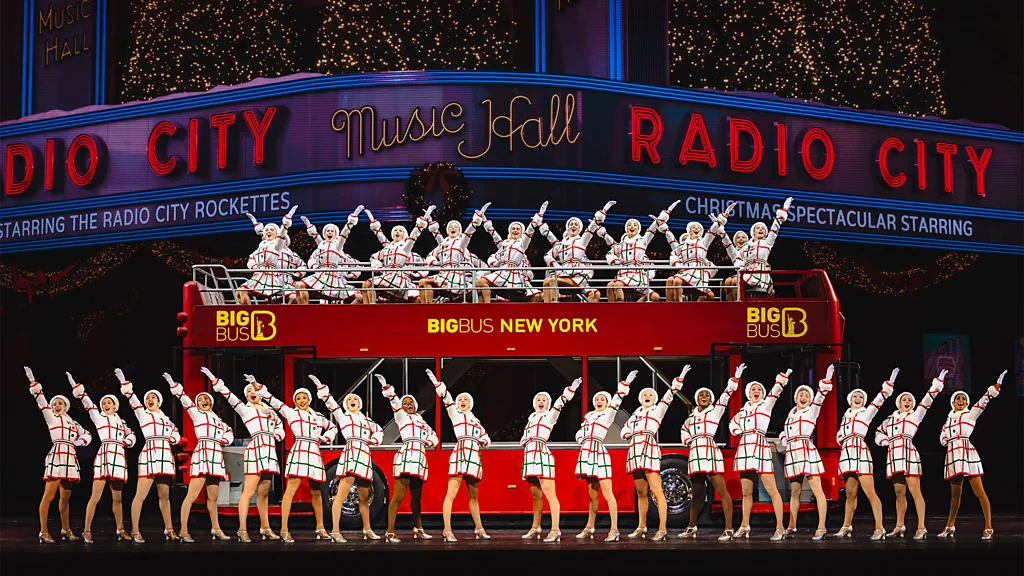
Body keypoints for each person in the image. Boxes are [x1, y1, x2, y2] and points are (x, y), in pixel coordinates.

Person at [253, 376, 338, 543]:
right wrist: (257, 386)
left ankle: (320, 527)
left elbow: (333, 427)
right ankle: (284, 529)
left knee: (316, 492)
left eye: (304, 397)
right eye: (298, 398)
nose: (301, 400)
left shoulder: (317, 416)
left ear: (309, 399)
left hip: (314, 450)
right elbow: (273, 400)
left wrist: (327, 437)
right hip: (300, 450)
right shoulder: (291, 413)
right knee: (290, 490)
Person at [207, 368, 285, 542]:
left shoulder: (269, 410)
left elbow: (280, 426)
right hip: (256, 448)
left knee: (264, 493)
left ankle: (265, 527)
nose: (251, 392)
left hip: (270, 450)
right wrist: (216, 381)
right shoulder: (245, 410)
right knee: (249, 492)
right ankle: (242, 529)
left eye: (253, 389)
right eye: (248, 391)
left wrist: (278, 435)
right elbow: (230, 397)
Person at [310, 375, 383, 542]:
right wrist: (322, 388)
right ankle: (335, 531)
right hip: (351, 453)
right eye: (349, 399)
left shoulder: (366, 420)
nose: (352, 400)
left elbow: (379, 430)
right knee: (341, 495)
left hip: (364, 454)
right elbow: (332, 405)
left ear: (359, 403)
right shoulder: (343, 417)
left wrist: (375, 440)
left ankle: (367, 529)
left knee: (364, 497)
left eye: (355, 399)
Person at [164, 372, 233, 543]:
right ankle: (184, 530)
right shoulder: (197, 415)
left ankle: (216, 528)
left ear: (211, 402)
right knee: (192, 496)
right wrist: (174, 385)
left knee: (213, 497)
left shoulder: (218, 420)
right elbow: (184, 400)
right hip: (203, 454)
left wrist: (224, 440)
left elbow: (229, 432)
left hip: (216, 456)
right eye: (200, 399)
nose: (203, 401)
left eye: (206, 399)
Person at [875, 371, 945, 540]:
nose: (907, 402)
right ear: (898, 402)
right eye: (904, 399)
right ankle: (900, 526)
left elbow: (927, 401)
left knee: (915, 491)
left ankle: (921, 527)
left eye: (909, 400)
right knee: (899, 493)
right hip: (893, 455)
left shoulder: (915, 415)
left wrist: (936, 386)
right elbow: (878, 432)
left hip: (908, 453)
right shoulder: (890, 419)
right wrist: (885, 442)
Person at [25, 367, 92, 544]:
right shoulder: (51, 418)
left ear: (66, 406)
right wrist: (33, 381)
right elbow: (41, 399)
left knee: (66, 497)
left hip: (70, 458)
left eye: (60, 403)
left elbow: (88, 434)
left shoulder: (73, 422)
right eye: (55, 404)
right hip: (57, 456)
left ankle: (65, 528)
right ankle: (43, 531)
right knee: (49, 496)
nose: (56, 406)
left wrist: (80, 441)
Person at [116, 368, 183, 543]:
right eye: (147, 398)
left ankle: (169, 529)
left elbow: (175, 433)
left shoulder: (166, 419)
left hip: (165, 455)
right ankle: (135, 530)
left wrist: (174, 438)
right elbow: (133, 399)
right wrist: (125, 383)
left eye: (153, 398)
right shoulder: (143, 414)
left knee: (165, 496)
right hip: (150, 454)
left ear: (159, 401)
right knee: (141, 495)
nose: (149, 400)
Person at [68, 373, 136, 543]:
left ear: (115, 405)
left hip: (119, 456)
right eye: (104, 403)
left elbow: (132, 434)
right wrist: (78, 388)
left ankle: (121, 529)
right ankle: (86, 530)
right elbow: (88, 404)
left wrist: (128, 441)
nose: (106, 405)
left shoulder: (121, 421)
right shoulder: (98, 418)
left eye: (109, 402)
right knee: (95, 496)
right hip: (105, 455)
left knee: (118, 497)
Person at [426, 368, 492, 542]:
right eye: (460, 399)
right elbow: (446, 398)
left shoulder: (475, 420)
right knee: (451, 493)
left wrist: (484, 441)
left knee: (474, 496)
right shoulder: (455, 414)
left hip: (473, 457)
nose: (462, 401)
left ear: (470, 404)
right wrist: (437, 384)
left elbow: (486, 436)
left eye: (465, 399)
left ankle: (479, 529)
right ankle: (447, 530)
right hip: (461, 453)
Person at [621, 366, 687, 540]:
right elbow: (624, 432)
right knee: (641, 492)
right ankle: (641, 526)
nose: (647, 397)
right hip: (635, 450)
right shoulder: (635, 414)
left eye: (650, 395)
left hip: (649, 448)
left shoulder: (657, 411)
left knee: (657, 490)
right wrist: (630, 433)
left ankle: (662, 529)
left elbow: (668, 398)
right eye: (644, 395)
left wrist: (677, 382)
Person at [938, 370, 1005, 540]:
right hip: (953, 455)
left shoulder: (970, 414)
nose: (960, 401)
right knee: (955, 495)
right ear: (952, 402)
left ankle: (989, 526)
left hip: (967, 454)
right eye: (957, 399)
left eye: (963, 399)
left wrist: (993, 389)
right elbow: (942, 437)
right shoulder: (948, 420)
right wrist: (945, 439)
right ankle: (950, 525)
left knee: (979, 492)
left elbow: (983, 402)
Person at [679, 364, 743, 540]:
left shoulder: (715, 412)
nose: (704, 397)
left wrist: (734, 380)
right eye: (701, 395)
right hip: (695, 454)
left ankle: (729, 528)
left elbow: (725, 397)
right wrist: (687, 440)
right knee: (697, 493)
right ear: (696, 399)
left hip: (709, 452)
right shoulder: (691, 418)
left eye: (707, 395)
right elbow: (683, 430)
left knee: (721, 490)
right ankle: (691, 526)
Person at [834, 368, 898, 540]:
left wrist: (888, 386)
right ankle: (846, 525)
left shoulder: (865, 413)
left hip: (860, 452)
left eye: (861, 397)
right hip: (847, 453)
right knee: (849, 493)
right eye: (855, 396)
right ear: (850, 399)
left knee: (870, 492)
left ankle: (879, 528)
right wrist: (840, 438)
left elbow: (878, 402)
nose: (858, 399)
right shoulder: (845, 416)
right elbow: (839, 434)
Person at [729, 368, 791, 540]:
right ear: (748, 393)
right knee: (746, 492)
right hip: (745, 448)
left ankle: (780, 528)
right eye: (753, 389)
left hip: (759, 446)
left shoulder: (765, 405)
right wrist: (736, 430)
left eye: (759, 390)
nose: (756, 392)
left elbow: (776, 391)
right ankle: (744, 525)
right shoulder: (742, 411)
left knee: (772, 490)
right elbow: (732, 424)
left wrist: (782, 378)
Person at [575, 370, 636, 542]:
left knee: (608, 493)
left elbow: (617, 400)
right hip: (587, 453)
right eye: (597, 399)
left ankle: (614, 529)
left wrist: (625, 384)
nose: (599, 401)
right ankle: (590, 527)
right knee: (592, 495)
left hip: (599, 453)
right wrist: (581, 438)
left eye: (602, 399)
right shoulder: (589, 417)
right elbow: (580, 432)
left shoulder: (607, 414)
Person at [376, 375, 438, 543]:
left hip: (419, 459)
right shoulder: (402, 417)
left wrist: (429, 441)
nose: (408, 404)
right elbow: (395, 403)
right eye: (405, 403)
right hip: (406, 457)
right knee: (398, 497)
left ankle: (418, 528)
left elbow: (434, 436)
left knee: (417, 498)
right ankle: (389, 532)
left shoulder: (421, 421)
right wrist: (389, 390)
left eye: (410, 402)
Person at [520, 378, 582, 543]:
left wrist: (570, 390)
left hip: (541, 454)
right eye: (539, 400)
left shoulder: (549, 416)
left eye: (544, 400)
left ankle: (555, 530)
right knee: (535, 496)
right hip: (529, 456)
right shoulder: (531, 418)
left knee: (550, 494)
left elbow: (559, 405)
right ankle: (536, 527)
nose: (541, 402)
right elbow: (523, 438)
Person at [780, 365, 834, 539]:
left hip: (806, 450)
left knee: (817, 491)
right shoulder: (790, 415)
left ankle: (821, 527)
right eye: (801, 394)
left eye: (807, 395)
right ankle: (792, 525)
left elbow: (820, 398)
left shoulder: (811, 411)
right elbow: (785, 432)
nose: (804, 397)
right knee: (794, 493)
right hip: (793, 453)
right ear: (796, 397)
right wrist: (783, 438)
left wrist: (826, 379)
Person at [543, 201, 617, 303]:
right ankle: (546, 310)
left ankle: (555, 309)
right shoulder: (560, 245)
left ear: (579, 229)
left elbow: (592, 227)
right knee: (547, 281)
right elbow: (547, 255)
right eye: (571, 224)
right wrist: (556, 265)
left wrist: (603, 211)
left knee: (551, 281)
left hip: (577, 276)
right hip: (565, 274)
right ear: (567, 228)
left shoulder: (582, 241)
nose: (573, 226)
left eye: (576, 225)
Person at [477, 202, 549, 303]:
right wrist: (485, 222)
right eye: (513, 228)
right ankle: (484, 309)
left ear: (521, 232)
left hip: (515, 275)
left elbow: (529, 232)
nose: (515, 230)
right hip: (502, 272)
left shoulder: (522, 244)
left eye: (518, 229)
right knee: (480, 282)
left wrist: (536, 220)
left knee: (530, 298)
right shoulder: (504, 245)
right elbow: (494, 236)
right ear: (509, 231)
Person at [419, 204, 488, 304]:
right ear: (447, 231)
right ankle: (427, 310)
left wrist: (475, 221)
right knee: (422, 282)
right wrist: (436, 263)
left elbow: (468, 234)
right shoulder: (443, 244)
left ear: (459, 231)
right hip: (443, 274)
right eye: (451, 227)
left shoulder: (461, 243)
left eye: (456, 227)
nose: (453, 228)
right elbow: (430, 256)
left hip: (456, 276)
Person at [294, 206, 365, 304]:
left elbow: (345, 232)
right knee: (299, 285)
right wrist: (314, 266)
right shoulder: (321, 247)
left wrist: (353, 217)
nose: (330, 232)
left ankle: (343, 315)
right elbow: (315, 240)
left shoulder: (337, 245)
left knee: (359, 297)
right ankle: (304, 312)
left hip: (334, 278)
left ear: (336, 235)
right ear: (324, 234)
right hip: (320, 275)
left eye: (332, 231)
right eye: (328, 231)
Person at [363, 207, 432, 303]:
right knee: (366, 284)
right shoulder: (388, 248)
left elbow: (414, 236)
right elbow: (375, 252)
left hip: (400, 278)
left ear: (404, 235)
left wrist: (416, 274)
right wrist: (379, 267)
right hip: (387, 276)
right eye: (395, 230)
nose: (397, 232)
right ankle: (370, 310)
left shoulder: (405, 248)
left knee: (417, 299)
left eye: (400, 230)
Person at [665, 202, 731, 301]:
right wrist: (679, 265)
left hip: (699, 274)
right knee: (674, 281)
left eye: (699, 228)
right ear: (689, 231)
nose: (696, 228)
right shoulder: (682, 245)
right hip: (686, 272)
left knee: (679, 282)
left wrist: (721, 219)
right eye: (694, 227)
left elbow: (712, 231)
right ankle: (673, 306)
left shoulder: (704, 242)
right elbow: (673, 254)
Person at [236, 206, 299, 305]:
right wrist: (255, 267)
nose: (269, 231)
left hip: (272, 277)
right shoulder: (261, 247)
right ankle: (250, 313)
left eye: (272, 230)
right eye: (267, 230)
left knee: (292, 297)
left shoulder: (276, 245)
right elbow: (251, 259)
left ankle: (286, 311)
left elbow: (282, 234)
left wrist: (286, 222)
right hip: (259, 275)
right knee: (240, 292)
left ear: (276, 234)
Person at [734, 197, 793, 298]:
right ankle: (735, 305)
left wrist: (782, 214)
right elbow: (737, 258)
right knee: (731, 282)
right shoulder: (746, 246)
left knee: (736, 280)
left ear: (766, 233)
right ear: (753, 232)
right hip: (747, 273)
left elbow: (774, 230)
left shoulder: (767, 243)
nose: (760, 229)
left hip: (760, 275)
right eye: (758, 228)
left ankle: (739, 303)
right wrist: (741, 266)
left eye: (763, 229)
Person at [719, 230, 749, 301]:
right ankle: (730, 304)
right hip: (740, 274)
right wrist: (721, 231)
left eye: (743, 237)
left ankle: (738, 302)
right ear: (735, 241)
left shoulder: (751, 248)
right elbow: (727, 242)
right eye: (738, 238)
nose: (741, 239)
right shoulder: (734, 253)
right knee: (727, 281)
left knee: (735, 280)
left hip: (750, 273)